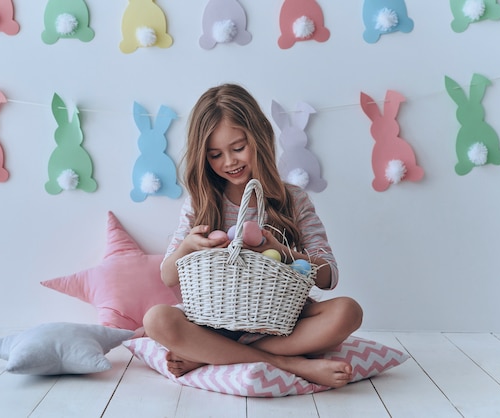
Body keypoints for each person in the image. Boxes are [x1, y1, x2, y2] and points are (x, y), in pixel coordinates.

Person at [142, 83, 363, 389]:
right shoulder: (201, 202)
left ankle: (211, 355)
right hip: (216, 321)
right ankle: (287, 363)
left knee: (348, 312)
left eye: (238, 147)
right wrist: (188, 246)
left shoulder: (292, 198)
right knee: (156, 320)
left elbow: (329, 275)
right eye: (215, 154)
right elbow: (167, 276)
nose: (229, 162)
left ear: (259, 137)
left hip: (282, 320)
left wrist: (282, 252)